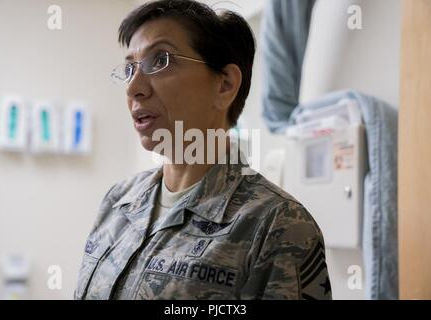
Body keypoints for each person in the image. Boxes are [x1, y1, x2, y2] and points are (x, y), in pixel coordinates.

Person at [74, 0, 332, 300]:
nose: (133, 87)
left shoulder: (277, 225)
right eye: (130, 67)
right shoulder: (118, 202)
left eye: (160, 60)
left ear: (224, 85)